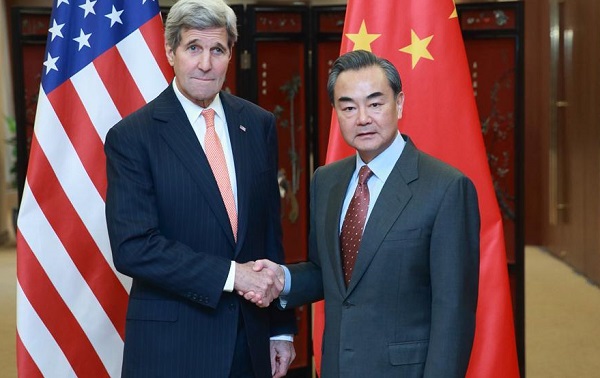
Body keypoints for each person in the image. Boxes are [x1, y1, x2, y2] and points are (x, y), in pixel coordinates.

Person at [250, 50, 480, 377]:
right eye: (348, 107)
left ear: (399, 103)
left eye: (375, 103)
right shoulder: (326, 181)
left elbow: (453, 313)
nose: (362, 118)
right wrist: (280, 279)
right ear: (336, 113)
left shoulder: (446, 188)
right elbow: (327, 272)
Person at [104, 0, 296, 377]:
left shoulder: (258, 124)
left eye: (217, 50)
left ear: (229, 54)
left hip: (249, 340)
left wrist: (281, 329)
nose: (205, 63)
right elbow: (133, 248)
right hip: (174, 347)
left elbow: (269, 234)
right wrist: (232, 275)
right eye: (193, 48)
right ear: (170, 51)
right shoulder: (133, 136)